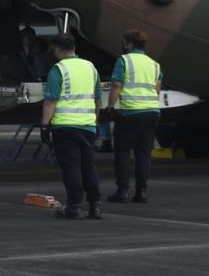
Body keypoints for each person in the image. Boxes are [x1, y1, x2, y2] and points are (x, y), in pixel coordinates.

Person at [42, 33, 103, 219]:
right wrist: (95, 121)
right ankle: (95, 206)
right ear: (74, 48)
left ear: (57, 49)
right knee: (88, 166)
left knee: (71, 167)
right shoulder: (90, 67)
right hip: (88, 126)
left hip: (65, 127)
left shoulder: (58, 69)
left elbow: (50, 101)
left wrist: (45, 126)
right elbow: (98, 100)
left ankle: (74, 206)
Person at [105, 28, 163, 204]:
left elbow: (116, 85)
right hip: (152, 111)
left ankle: (123, 191)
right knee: (143, 152)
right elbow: (157, 89)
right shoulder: (154, 64)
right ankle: (141, 192)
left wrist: (110, 106)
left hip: (130, 112)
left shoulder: (124, 60)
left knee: (122, 151)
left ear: (129, 44)